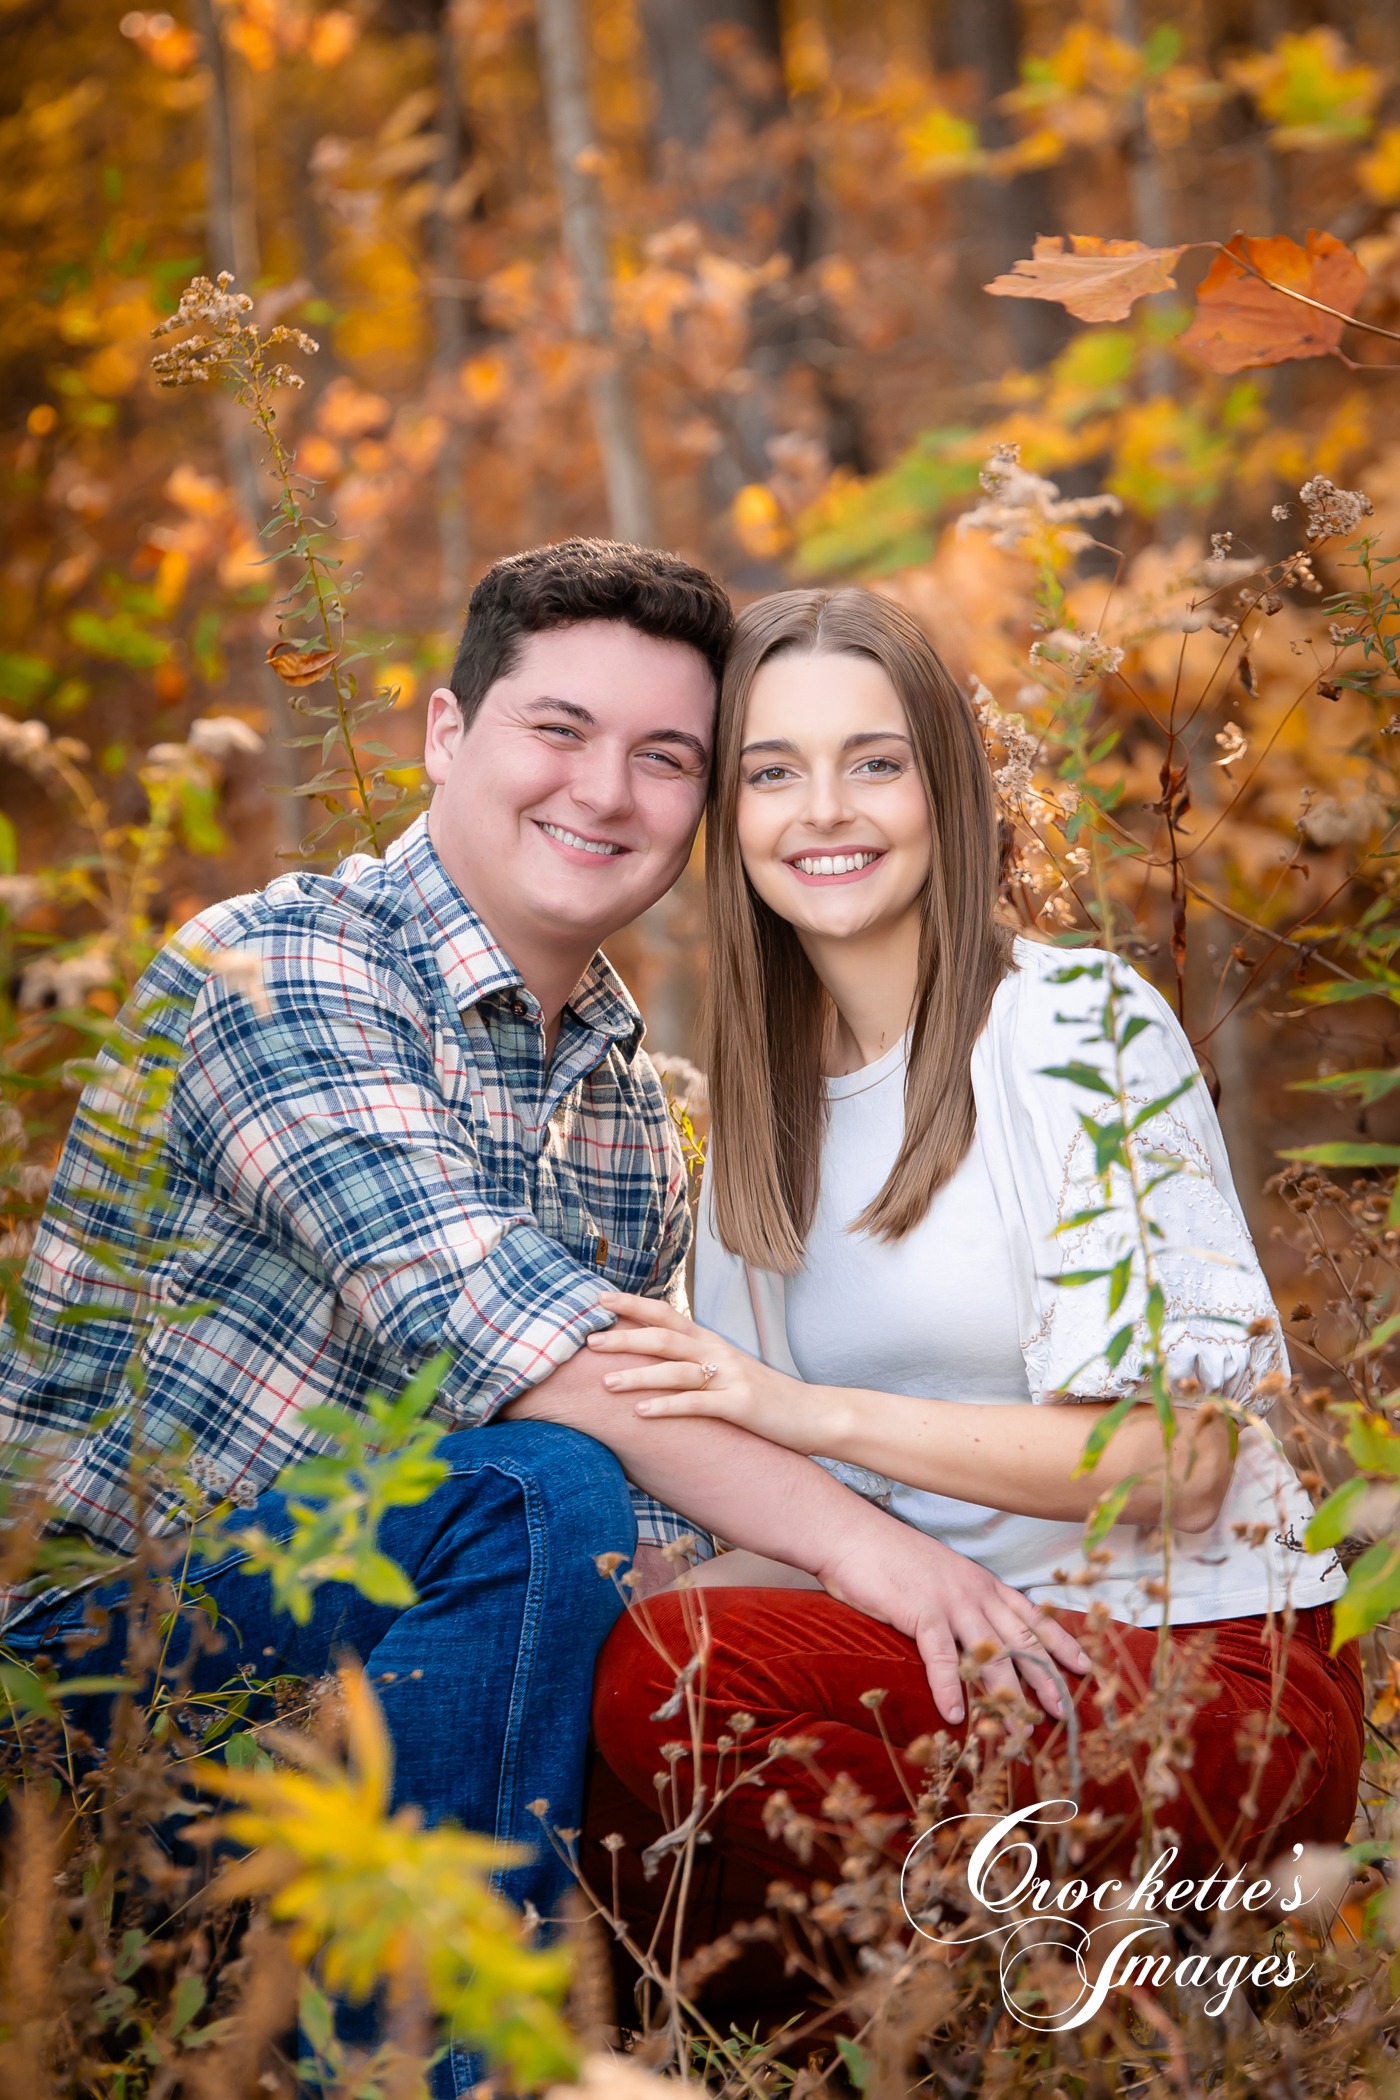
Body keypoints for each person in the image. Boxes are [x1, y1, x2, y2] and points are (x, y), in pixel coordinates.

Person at [0, 546, 1088, 2093]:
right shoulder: (282, 969)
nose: (607, 792)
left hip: (345, 1743)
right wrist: (875, 1545)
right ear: (449, 734)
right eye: (559, 731)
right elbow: (538, 1354)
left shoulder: (630, 1113)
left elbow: (649, 1508)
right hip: (83, 1702)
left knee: (609, 1553)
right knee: (536, 1488)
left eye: (667, 759)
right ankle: (444, 2070)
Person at [587, 587, 1362, 1949]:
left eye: (873, 761)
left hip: (1211, 1673)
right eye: (773, 772)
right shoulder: (762, 1142)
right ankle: (997, 2008)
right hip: (969, 1673)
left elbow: (1171, 1463)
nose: (824, 809)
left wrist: (800, 1413)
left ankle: (1015, 1996)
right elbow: (797, 1537)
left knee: (684, 1678)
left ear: (943, 784)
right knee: (596, 1748)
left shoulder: (1071, 1029)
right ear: (730, 820)